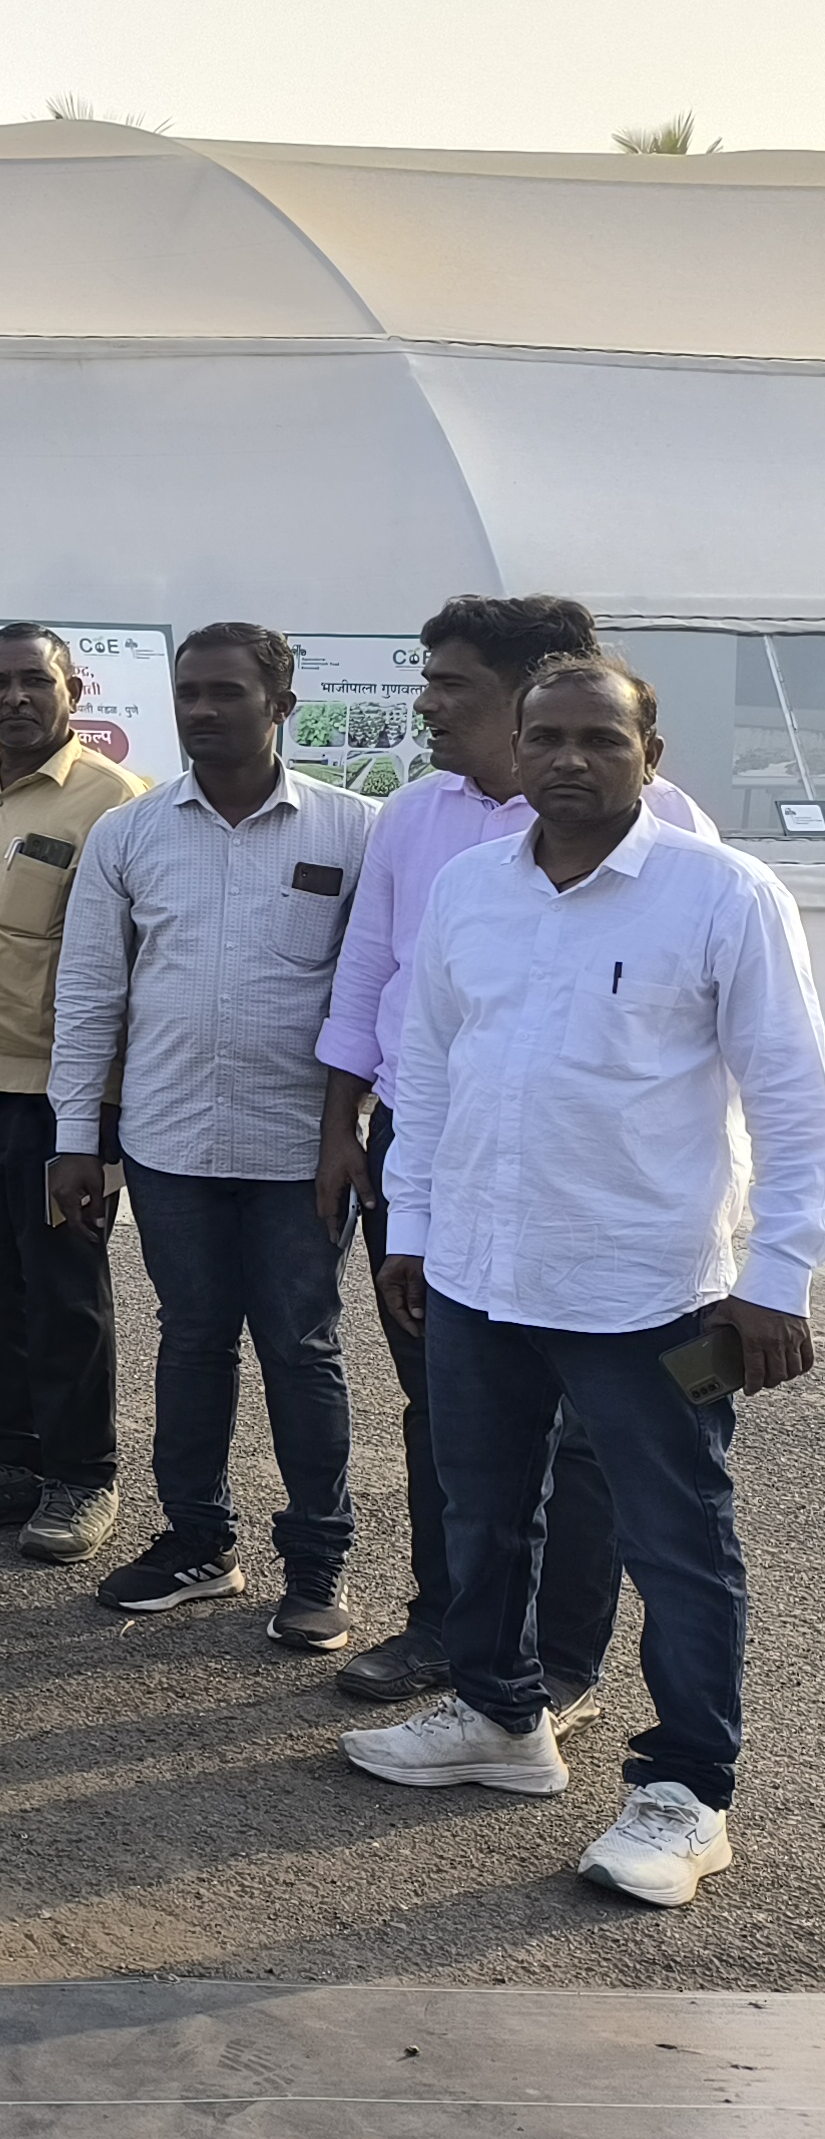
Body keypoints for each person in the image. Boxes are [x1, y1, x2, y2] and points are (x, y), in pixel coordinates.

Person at [344, 657, 825, 1910]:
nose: (568, 758)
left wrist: (779, 1274)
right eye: (546, 735)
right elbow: (429, 1068)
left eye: (599, 738)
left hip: (650, 1292)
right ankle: (503, 1719)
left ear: (648, 755)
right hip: (480, 1273)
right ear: (516, 748)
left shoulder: (722, 894)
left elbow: (795, 1097)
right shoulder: (470, 889)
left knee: (679, 1543)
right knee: (481, 1511)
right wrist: (415, 1228)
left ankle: (688, 1793)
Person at [312, 594, 708, 1713]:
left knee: (586, 1432)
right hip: (432, 1149)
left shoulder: (675, 833)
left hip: (595, 1172)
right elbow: (372, 972)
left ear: (527, 687)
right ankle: (451, 1630)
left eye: (451, 683)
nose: (426, 704)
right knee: (452, 1410)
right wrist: (341, 1127)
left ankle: (562, 1664)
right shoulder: (414, 817)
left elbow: (733, 1048)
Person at [49, 625, 377, 1642]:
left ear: (280, 705)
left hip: (301, 1151)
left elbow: (376, 995)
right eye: (188, 692)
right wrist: (76, 1135)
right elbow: (90, 993)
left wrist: (350, 1131)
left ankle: (317, 1565)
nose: (201, 710)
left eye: (225, 693)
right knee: (191, 1341)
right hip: (171, 1143)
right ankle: (198, 1542)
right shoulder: (131, 833)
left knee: (302, 1348)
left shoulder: (355, 831)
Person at [0, 626, 148, 1561]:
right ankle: (11, 1453)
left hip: (55, 1099)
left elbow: (128, 968)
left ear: (72, 690)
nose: (13, 698)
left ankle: (83, 1475)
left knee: (63, 1293)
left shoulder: (114, 802)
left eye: (33, 682)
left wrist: (101, 1115)